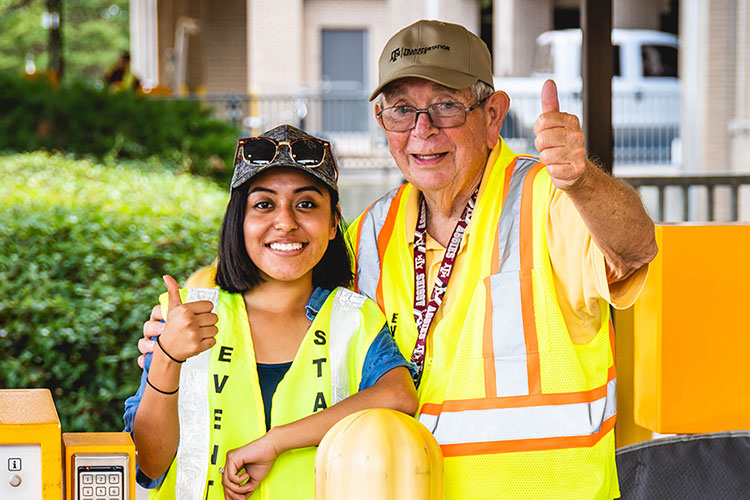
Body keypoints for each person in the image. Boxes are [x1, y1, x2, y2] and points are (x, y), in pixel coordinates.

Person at [140, 20, 657, 500]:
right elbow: (279, 277)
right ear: (381, 120)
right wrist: (171, 330)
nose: (422, 129)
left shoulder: (549, 199)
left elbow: (636, 248)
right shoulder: (371, 230)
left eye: (447, 106)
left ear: (493, 114)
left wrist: (582, 181)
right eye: (402, 109)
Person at [124, 124, 418, 500]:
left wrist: (278, 440)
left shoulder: (354, 318)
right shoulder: (184, 316)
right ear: (239, 221)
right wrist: (168, 356)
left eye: (306, 204)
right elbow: (149, 464)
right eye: (264, 204)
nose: (286, 222)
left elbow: (399, 395)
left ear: (333, 224)